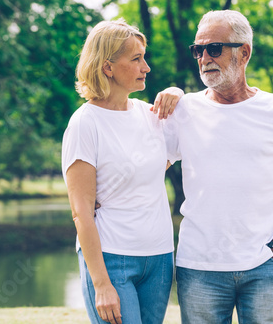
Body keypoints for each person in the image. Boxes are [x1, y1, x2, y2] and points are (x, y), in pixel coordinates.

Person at [164, 10, 273, 324]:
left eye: (214, 48)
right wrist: (97, 195)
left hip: (262, 267)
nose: (204, 58)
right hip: (198, 268)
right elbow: (145, 171)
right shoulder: (184, 109)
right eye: (198, 50)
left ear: (244, 52)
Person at [62, 19, 183, 324]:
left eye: (144, 57)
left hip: (159, 258)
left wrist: (177, 92)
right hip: (111, 258)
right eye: (136, 59)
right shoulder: (84, 124)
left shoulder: (151, 115)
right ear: (108, 67)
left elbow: (187, 137)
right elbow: (81, 213)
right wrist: (101, 284)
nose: (147, 67)